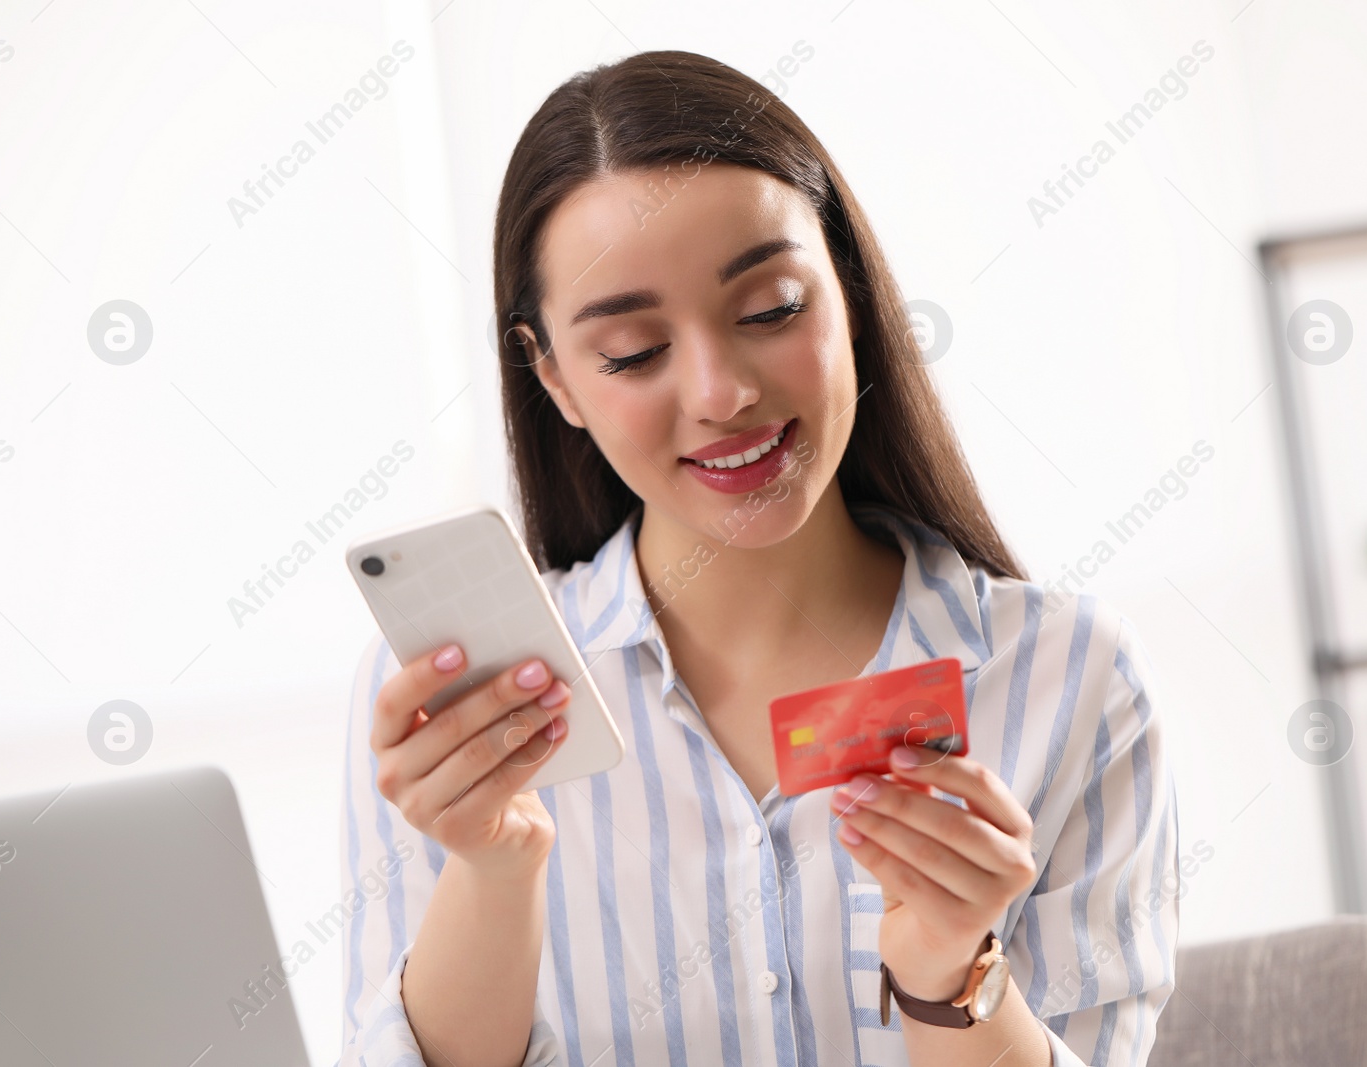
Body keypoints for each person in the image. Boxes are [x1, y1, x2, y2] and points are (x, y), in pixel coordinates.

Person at [339, 49, 1178, 1067]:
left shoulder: (1069, 676)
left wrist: (948, 978)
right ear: (554, 376)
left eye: (772, 309)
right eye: (633, 352)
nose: (720, 390)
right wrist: (490, 871)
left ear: (853, 294)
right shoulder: (451, 706)